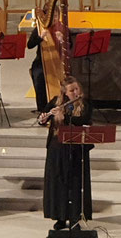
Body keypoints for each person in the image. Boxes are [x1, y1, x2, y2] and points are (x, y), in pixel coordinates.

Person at [38, 75, 92, 230]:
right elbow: (43, 118)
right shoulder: (56, 102)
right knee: (58, 183)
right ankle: (60, 217)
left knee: (75, 184)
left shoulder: (86, 104)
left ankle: (75, 218)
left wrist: (65, 116)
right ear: (65, 93)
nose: (75, 92)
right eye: (71, 90)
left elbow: (84, 120)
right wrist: (44, 118)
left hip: (77, 150)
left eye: (77, 89)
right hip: (57, 149)